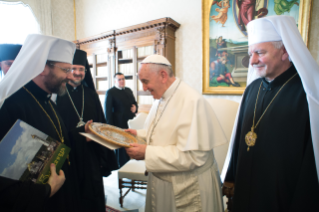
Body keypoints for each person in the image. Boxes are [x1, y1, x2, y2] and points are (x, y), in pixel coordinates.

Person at [223, 16, 319, 212]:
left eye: (260, 52)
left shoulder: (307, 95)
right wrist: (231, 176)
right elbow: (241, 138)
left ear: (284, 51)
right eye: (251, 54)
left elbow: (312, 159)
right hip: (246, 191)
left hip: (282, 198)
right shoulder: (252, 89)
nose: (253, 61)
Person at [125, 55, 227, 212]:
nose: (144, 88)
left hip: (187, 187)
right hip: (162, 182)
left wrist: (147, 152)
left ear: (163, 76)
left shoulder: (191, 101)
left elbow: (193, 156)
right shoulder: (161, 97)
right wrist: (138, 134)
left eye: (145, 81)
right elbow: (163, 132)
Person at [0, 34, 83, 212]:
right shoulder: (9, 106)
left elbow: (58, 139)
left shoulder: (48, 102)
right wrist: (46, 190)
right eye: (65, 70)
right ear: (42, 68)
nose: (70, 76)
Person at [56, 49, 118, 212]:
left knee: (93, 195)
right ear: (67, 70)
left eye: (81, 69)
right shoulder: (58, 93)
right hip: (68, 157)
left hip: (91, 155)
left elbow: (101, 122)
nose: (77, 73)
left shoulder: (90, 94)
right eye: (73, 69)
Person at [104, 72, 138, 167]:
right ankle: (122, 167)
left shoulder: (128, 90)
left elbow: (134, 103)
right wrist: (109, 127)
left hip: (130, 123)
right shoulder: (110, 92)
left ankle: (130, 166)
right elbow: (108, 111)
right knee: (121, 148)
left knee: (130, 145)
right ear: (115, 81)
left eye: (123, 79)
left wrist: (135, 107)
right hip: (118, 124)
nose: (122, 81)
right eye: (119, 79)